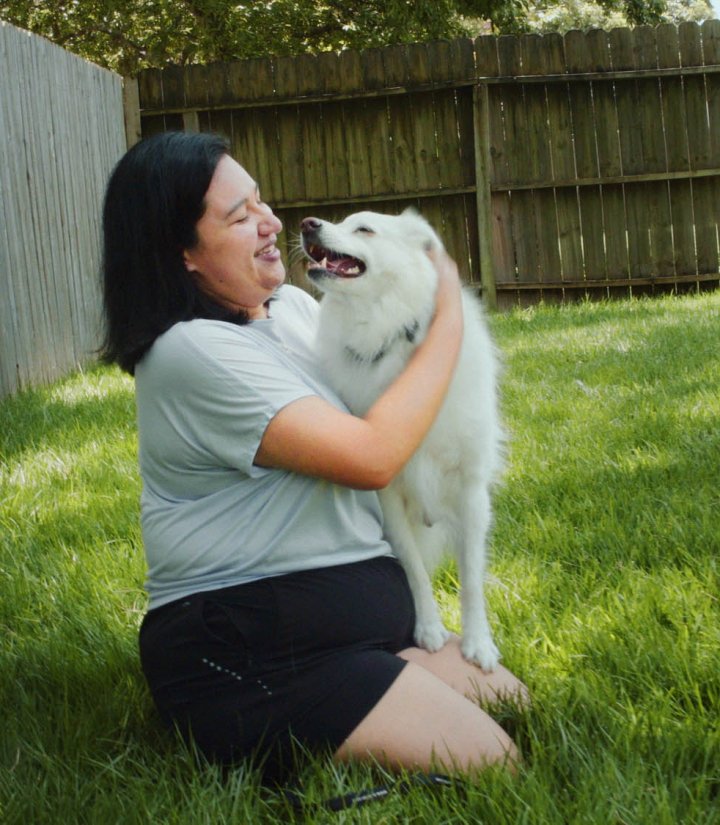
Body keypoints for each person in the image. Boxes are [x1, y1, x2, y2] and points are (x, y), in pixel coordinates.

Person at [101, 130, 528, 783]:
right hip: (250, 650)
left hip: (348, 632)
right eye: (240, 217)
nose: (271, 222)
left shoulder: (293, 311)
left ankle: (381, 684)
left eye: (261, 202)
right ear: (181, 253)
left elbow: (397, 373)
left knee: (513, 703)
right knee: (495, 762)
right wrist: (451, 315)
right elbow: (375, 454)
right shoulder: (188, 352)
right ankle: (273, 742)